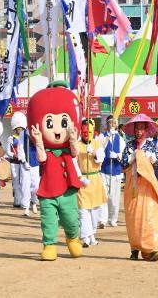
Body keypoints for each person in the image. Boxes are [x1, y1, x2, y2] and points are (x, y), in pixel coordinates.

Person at [27, 82, 82, 262]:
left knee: (71, 218)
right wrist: (39, 141)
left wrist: (73, 139)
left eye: (63, 122)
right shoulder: (47, 152)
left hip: (67, 188)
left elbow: (75, 153)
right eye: (49, 122)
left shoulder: (67, 150)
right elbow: (41, 158)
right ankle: (49, 245)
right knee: (48, 220)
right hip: (48, 189)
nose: (57, 129)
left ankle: (73, 238)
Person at [120, 113, 158, 261]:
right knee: (133, 217)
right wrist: (134, 157)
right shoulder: (129, 146)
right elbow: (123, 164)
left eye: (141, 128)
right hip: (133, 186)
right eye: (137, 129)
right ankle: (134, 248)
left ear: (146, 129)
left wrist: (153, 159)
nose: (139, 132)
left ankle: (150, 249)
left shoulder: (152, 145)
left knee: (148, 217)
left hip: (147, 186)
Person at [76, 119, 106, 247]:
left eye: (88, 131)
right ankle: (85, 238)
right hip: (83, 181)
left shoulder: (97, 143)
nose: (86, 134)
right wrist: (79, 177)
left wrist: (93, 152)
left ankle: (92, 234)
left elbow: (101, 159)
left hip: (95, 180)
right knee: (83, 210)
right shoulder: (77, 145)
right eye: (83, 131)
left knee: (94, 211)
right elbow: (73, 162)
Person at [100, 116, 125, 228]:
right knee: (104, 196)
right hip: (104, 170)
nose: (112, 124)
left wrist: (117, 155)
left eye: (114, 122)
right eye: (110, 122)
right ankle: (103, 219)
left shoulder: (120, 138)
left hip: (115, 171)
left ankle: (113, 218)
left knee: (114, 198)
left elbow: (124, 154)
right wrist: (107, 138)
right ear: (107, 124)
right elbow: (99, 147)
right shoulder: (102, 136)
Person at [6, 112, 32, 215]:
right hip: (14, 162)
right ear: (15, 128)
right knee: (16, 180)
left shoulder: (25, 138)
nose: (19, 130)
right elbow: (8, 151)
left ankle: (23, 201)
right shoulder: (11, 139)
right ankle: (17, 201)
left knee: (24, 181)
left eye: (21, 128)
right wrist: (13, 155)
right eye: (18, 128)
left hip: (22, 162)